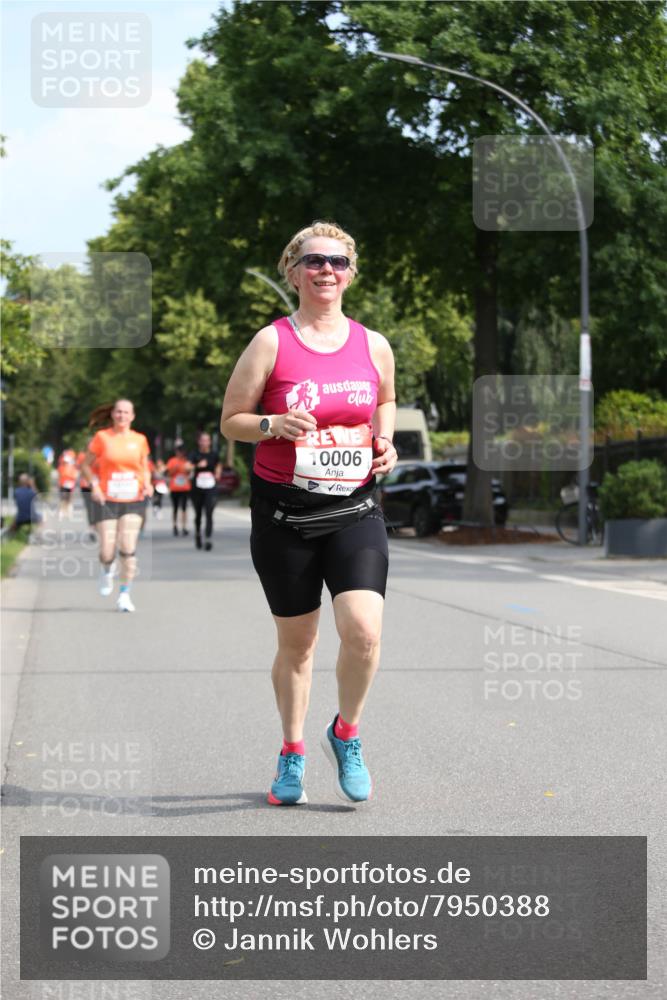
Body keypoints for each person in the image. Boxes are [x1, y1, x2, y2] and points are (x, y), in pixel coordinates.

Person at [220, 221, 397, 806]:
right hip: (285, 517)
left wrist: (386, 441)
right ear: (293, 272)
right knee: (298, 645)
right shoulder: (271, 342)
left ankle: (346, 733)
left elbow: (386, 398)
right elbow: (232, 420)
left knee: (364, 631)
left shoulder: (373, 344)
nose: (327, 270)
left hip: (355, 508)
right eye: (315, 261)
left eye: (338, 262)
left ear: (351, 274)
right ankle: (292, 751)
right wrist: (272, 424)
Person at [80, 399, 153, 613]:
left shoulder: (140, 440)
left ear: (133, 416)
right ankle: (107, 568)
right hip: (107, 499)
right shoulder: (102, 437)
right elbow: (85, 466)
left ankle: (124, 595)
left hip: (133, 499)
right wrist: (94, 486)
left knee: (128, 548)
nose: (122, 416)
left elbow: (144, 467)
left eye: (126, 412)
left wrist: (148, 484)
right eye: (118, 412)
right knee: (107, 550)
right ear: (112, 414)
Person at [189, 432, 222, 550]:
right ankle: (198, 534)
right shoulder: (194, 454)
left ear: (210, 442)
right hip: (197, 488)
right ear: (199, 442)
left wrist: (218, 473)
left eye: (207, 440)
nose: (204, 442)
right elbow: (186, 466)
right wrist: (197, 465)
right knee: (198, 513)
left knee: (209, 512)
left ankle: (208, 538)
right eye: (202, 440)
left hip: (210, 486)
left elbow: (218, 465)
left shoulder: (214, 454)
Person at [166, 442, 192, 537]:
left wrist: (188, 469)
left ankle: (184, 527)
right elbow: (169, 474)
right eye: (179, 451)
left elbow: (190, 473)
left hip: (184, 488)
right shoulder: (172, 461)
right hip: (174, 488)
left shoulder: (186, 461)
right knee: (175, 508)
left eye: (182, 451)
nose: (180, 453)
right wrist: (175, 469)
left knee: (184, 508)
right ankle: (175, 526)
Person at [57, 448, 77, 520]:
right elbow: (59, 474)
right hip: (63, 483)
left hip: (70, 483)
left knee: (69, 498)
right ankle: (62, 512)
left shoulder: (72, 465)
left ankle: (69, 511)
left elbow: (74, 475)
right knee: (63, 498)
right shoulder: (62, 465)